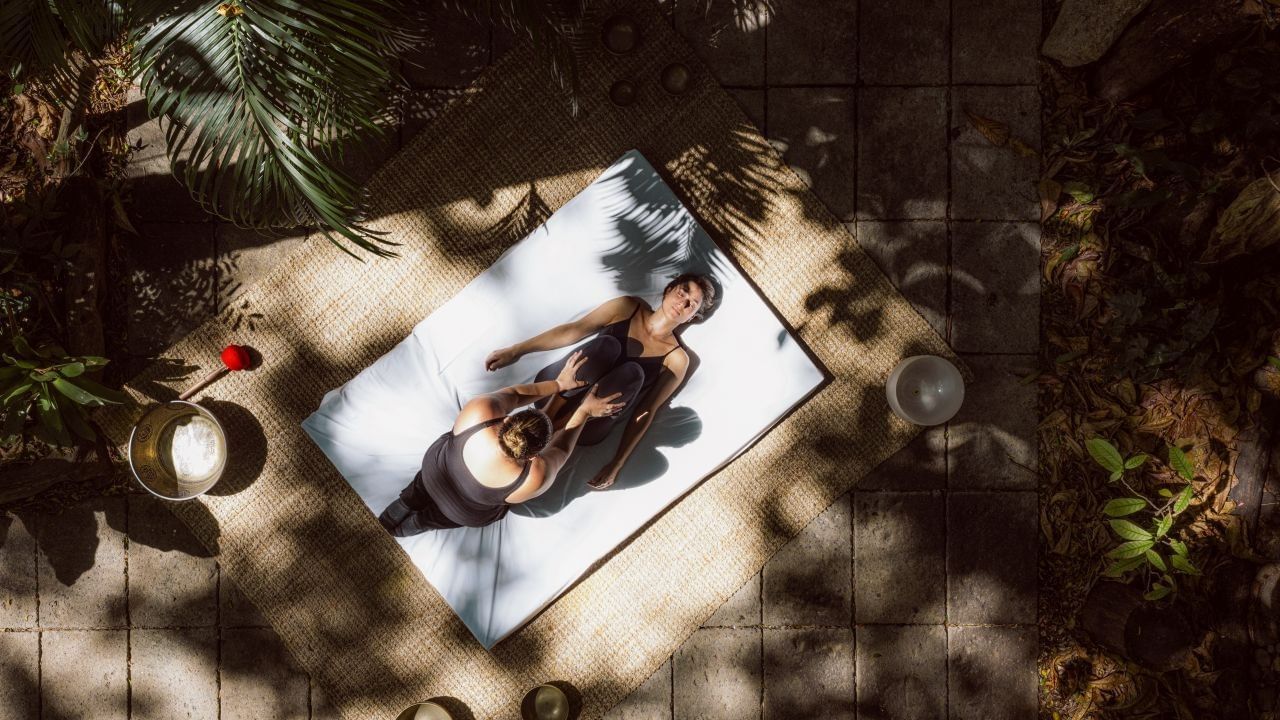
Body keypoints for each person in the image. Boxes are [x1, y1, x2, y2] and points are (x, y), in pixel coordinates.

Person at [483, 273, 716, 490]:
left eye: (691, 304)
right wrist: (516, 350)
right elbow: (574, 331)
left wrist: (617, 463)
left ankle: (535, 440)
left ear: (693, 317)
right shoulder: (627, 307)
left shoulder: (677, 359)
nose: (682, 302)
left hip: (588, 424)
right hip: (556, 390)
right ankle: (542, 430)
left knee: (633, 373)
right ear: (670, 289)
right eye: (683, 292)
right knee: (608, 346)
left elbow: (646, 411)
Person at [378, 351, 624, 536]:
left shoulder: (479, 412)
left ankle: (404, 504)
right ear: (532, 456)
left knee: (418, 489)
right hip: (461, 511)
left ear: (506, 419)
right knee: (435, 517)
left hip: (434, 471)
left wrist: (558, 385)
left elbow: (516, 394)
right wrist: (584, 412)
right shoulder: (533, 476)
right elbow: (561, 449)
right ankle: (415, 525)